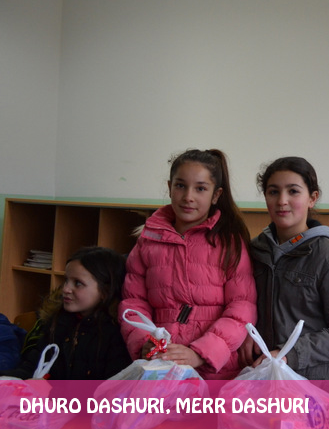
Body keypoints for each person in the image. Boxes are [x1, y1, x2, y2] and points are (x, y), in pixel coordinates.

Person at [120, 149, 256, 380]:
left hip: (217, 372)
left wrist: (201, 353)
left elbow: (242, 308)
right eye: (180, 186)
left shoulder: (230, 243)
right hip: (160, 367)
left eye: (200, 188)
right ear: (169, 187)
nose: (188, 197)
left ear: (216, 195)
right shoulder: (148, 241)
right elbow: (133, 303)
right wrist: (144, 342)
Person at [239, 156, 329, 380]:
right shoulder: (252, 251)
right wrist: (241, 332)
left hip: (313, 383)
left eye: (293, 191)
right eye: (273, 192)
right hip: (260, 376)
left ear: (312, 198)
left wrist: (290, 354)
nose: (282, 201)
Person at [5, 247, 131, 380]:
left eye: (78, 283)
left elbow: (111, 389)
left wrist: (49, 390)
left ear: (106, 291)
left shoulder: (116, 334)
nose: (65, 289)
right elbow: (31, 368)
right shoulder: (58, 321)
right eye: (66, 280)